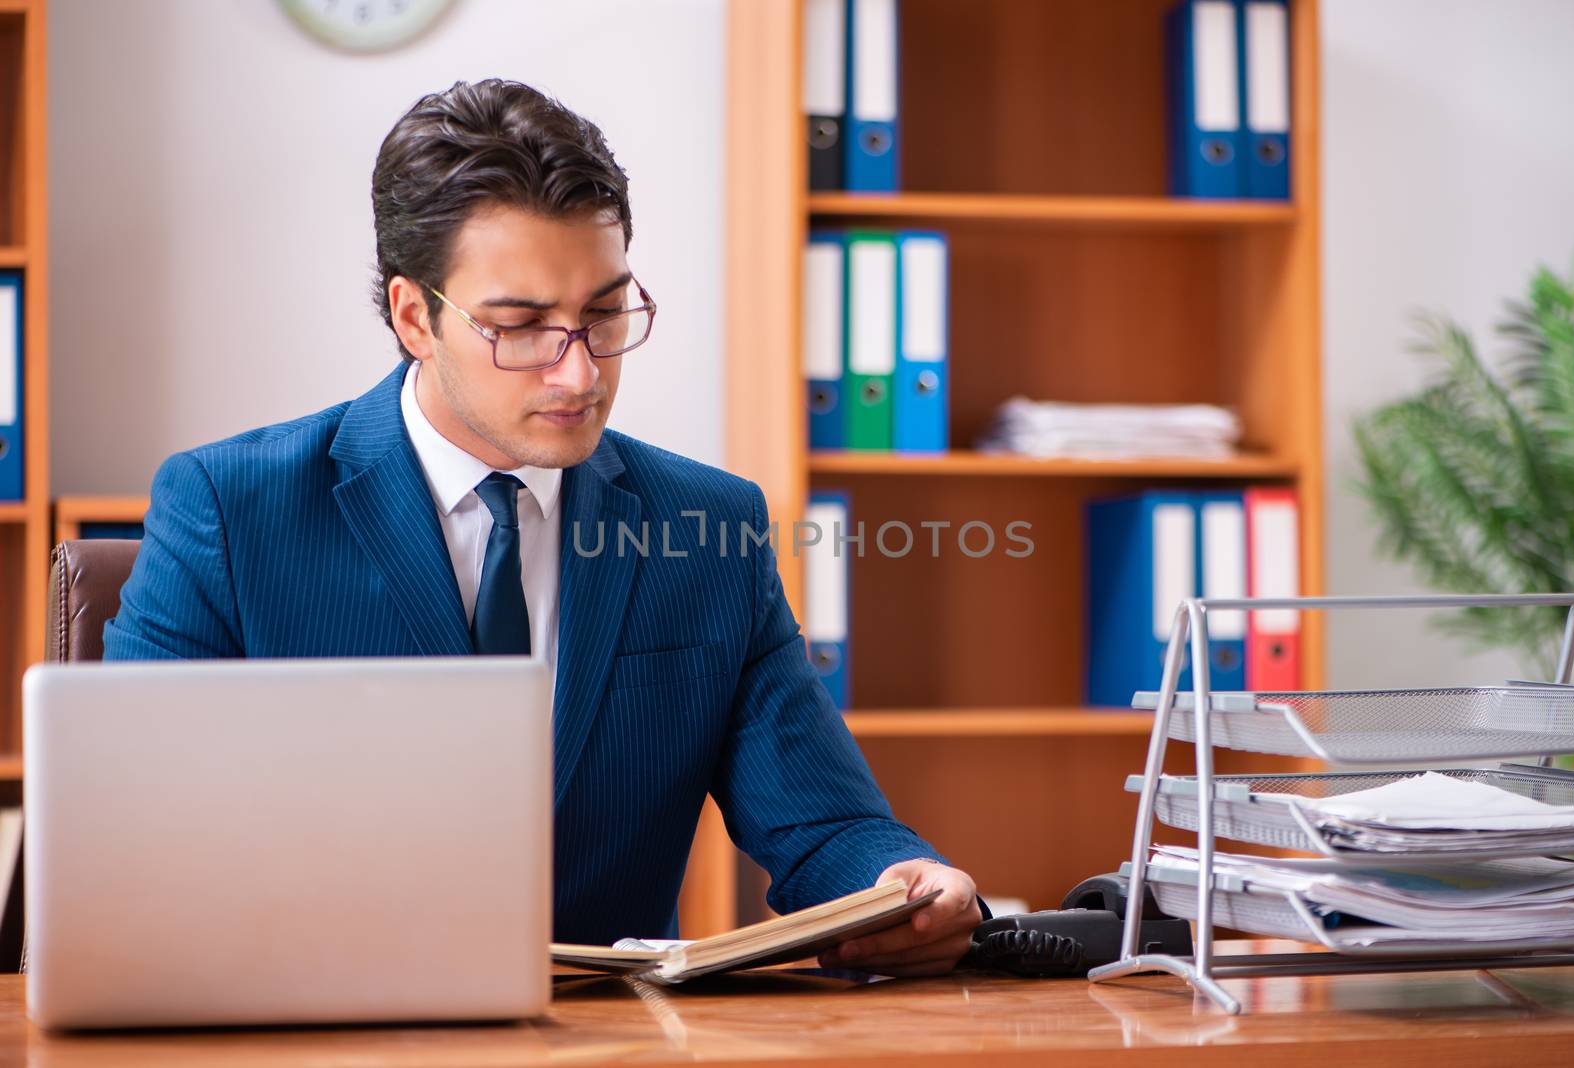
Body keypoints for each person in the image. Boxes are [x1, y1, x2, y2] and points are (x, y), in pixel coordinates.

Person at [105, 79, 982, 976]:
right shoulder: (229, 507)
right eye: (521, 327)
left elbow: (823, 824)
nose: (579, 374)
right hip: (308, 1022)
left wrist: (904, 882)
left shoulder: (708, 527)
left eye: (604, 314)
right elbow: (128, 836)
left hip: (603, 1041)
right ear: (415, 317)